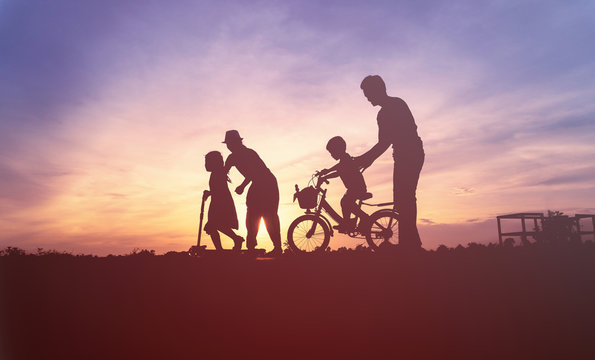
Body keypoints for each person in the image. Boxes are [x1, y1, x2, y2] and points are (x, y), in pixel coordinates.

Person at [356, 75, 425, 250]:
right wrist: (366, 159)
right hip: (403, 156)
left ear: (377, 90)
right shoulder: (386, 111)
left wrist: (365, 159)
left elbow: (384, 142)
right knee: (403, 200)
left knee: (405, 198)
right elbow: (384, 142)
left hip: (411, 155)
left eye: (368, 93)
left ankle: (410, 245)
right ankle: (411, 243)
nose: (367, 98)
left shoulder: (393, 107)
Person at [223, 130, 283, 256]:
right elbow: (224, 172)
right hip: (257, 184)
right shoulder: (232, 157)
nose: (229, 146)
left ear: (238, 142)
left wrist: (242, 186)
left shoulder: (249, 153)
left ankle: (276, 248)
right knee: (252, 214)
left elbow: (255, 173)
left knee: (269, 216)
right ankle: (251, 246)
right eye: (227, 144)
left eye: (231, 143)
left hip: (268, 183)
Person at [319, 136, 370, 234]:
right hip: (353, 188)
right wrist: (327, 171)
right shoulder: (344, 159)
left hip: (357, 188)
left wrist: (326, 175)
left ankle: (363, 218)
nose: (331, 155)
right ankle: (347, 222)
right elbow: (338, 168)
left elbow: (338, 171)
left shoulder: (346, 159)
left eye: (332, 152)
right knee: (345, 202)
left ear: (338, 150)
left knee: (346, 202)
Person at [203, 151, 244, 252]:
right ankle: (235, 240)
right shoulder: (217, 173)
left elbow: (219, 190)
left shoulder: (218, 173)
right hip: (218, 202)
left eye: (207, 162)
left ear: (214, 162)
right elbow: (217, 190)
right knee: (217, 226)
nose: (205, 165)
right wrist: (210, 193)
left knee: (213, 226)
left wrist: (209, 193)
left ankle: (221, 249)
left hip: (221, 203)